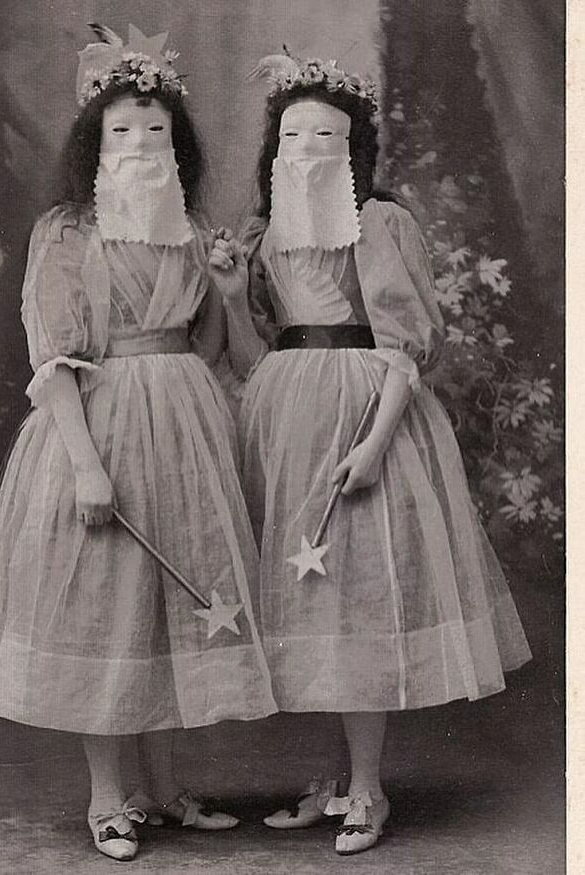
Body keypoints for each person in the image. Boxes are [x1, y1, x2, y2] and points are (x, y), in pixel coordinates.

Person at [209, 50, 532, 856]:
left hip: (364, 408)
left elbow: (407, 349)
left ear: (353, 147)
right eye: (293, 135)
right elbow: (251, 354)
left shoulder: (381, 222)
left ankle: (368, 786)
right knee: (305, 601)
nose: (307, 148)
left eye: (327, 134)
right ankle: (330, 778)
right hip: (286, 413)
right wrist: (230, 295)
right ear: (274, 147)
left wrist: (374, 444)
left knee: (353, 593)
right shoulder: (265, 234)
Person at [0, 24, 276, 862]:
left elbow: (210, 350)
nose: (141, 144)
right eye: (122, 130)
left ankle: (164, 789)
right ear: (95, 142)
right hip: (100, 424)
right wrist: (85, 465)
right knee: (106, 610)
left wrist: (225, 290)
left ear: (176, 144)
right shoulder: (67, 231)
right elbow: (54, 358)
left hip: (185, 430)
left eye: (155, 130)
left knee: (170, 609)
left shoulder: (188, 228)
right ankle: (108, 796)